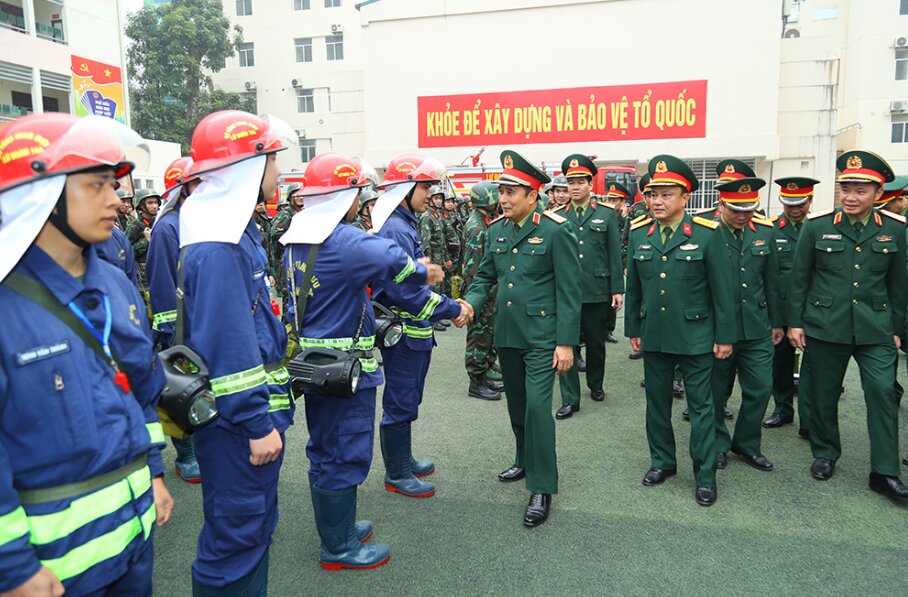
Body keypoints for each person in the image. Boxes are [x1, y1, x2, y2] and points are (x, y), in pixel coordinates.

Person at [0, 112, 173, 595]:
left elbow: (140, 387)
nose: (116, 200)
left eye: (114, 185)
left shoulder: (115, 284)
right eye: (97, 185)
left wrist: (154, 474)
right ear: (43, 194)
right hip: (53, 572)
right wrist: (12, 569)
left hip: (133, 543)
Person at [281, 152, 448, 570]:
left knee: (323, 447)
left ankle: (341, 528)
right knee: (344, 452)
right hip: (345, 368)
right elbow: (395, 261)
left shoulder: (298, 236)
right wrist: (424, 270)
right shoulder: (345, 240)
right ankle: (338, 547)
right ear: (346, 196)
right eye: (359, 192)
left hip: (314, 362)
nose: (363, 200)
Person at [180, 110, 296, 593]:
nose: (279, 173)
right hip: (237, 425)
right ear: (248, 166)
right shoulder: (220, 245)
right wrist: (255, 423)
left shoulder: (235, 229)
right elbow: (228, 348)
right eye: (271, 161)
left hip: (244, 417)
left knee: (252, 528)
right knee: (236, 533)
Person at [461, 150, 581, 528]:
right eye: (502, 192)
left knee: (536, 408)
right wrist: (469, 304)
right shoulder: (496, 230)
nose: (505, 199)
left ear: (533, 196)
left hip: (544, 337)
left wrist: (566, 343)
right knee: (516, 405)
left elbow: (569, 290)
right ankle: (523, 459)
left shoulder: (555, 230)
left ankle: (542, 485)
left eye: (513, 192)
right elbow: (484, 278)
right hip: (508, 333)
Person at [788, 150, 908, 501]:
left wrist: (897, 327)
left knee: (884, 393)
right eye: (846, 189)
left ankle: (885, 472)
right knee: (824, 395)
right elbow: (799, 279)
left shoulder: (895, 230)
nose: (851, 197)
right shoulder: (818, 227)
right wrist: (795, 323)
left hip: (876, 328)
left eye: (861, 190)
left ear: (878, 193)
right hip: (826, 325)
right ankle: (825, 453)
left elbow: (899, 285)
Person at [624, 154, 735, 507]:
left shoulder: (707, 234)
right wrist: (633, 328)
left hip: (697, 336)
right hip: (654, 335)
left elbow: (723, 290)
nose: (657, 201)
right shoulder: (640, 232)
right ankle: (662, 463)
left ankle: (705, 475)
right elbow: (636, 289)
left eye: (666, 194)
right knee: (656, 405)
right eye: (652, 194)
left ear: (685, 197)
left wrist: (725, 336)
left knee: (702, 408)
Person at [371, 154, 467, 498]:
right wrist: (453, 308)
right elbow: (405, 292)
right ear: (405, 188)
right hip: (404, 332)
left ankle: (404, 459)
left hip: (413, 330)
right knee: (400, 400)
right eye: (425, 186)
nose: (430, 193)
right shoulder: (397, 227)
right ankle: (397, 473)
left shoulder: (405, 221)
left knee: (408, 398)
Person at [710, 177, 783, 472]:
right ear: (721, 204)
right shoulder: (707, 233)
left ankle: (747, 444)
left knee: (761, 387)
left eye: (748, 208)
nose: (742, 215)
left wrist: (777, 322)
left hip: (757, 326)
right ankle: (717, 444)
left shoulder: (765, 231)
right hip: (717, 329)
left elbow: (772, 281)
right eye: (735, 209)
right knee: (715, 391)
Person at [552, 154, 623, 419]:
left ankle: (595, 383)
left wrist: (617, 289)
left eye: (581, 181)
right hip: (565, 292)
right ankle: (570, 398)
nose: (575, 187)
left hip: (596, 290)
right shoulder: (557, 216)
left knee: (595, 342)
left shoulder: (606, 214)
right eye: (571, 182)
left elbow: (614, 254)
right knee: (565, 341)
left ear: (590, 184)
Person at [146, 156, 203, 483]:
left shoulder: (198, 219)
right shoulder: (168, 226)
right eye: (197, 183)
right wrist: (173, 333)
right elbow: (162, 283)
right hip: (180, 329)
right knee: (179, 390)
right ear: (182, 189)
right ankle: (185, 455)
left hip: (201, 322)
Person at [763, 177, 819, 438]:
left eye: (800, 204)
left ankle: (809, 420)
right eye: (788, 205)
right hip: (783, 311)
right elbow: (770, 278)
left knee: (813, 368)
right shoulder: (772, 229)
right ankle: (783, 409)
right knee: (780, 363)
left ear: (810, 200)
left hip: (816, 310)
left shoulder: (820, 228)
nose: (794, 210)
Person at [462, 180, 505, 400]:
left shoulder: (484, 221)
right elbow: (473, 267)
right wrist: (476, 300)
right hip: (481, 294)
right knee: (478, 336)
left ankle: (484, 374)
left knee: (487, 335)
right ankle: (476, 382)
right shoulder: (477, 226)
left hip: (489, 292)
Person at [270, 182, 304, 310]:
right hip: (286, 261)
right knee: (289, 296)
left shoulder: (303, 213)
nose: (300, 197)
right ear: (290, 197)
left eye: (302, 194)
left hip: (299, 260)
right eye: (296, 194)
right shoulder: (286, 214)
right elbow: (275, 235)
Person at [419, 185, 450, 317]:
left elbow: (442, 241)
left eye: (440, 198)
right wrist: (429, 264)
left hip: (440, 258)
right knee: (433, 290)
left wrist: (446, 258)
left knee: (439, 289)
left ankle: (439, 315)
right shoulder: (427, 217)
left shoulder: (437, 216)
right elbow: (426, 243)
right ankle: (433, 318)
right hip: (432, 259)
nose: (439, 201)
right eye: (436, 198)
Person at [125, 188, 160, 290]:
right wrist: (146, 241)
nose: (154, 206)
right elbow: (127, 253)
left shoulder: (159, 222)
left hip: (158, 269)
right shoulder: (134, 226)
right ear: (141, 205)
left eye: (155, 202)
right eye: (150, 203)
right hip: (143, 277)